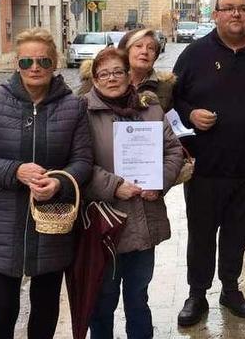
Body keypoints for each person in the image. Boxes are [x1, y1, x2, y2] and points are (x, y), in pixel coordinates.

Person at [0, 27, 92, 339]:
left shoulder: (73, 107)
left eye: (44, 62)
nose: (35, 68)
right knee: (2, 309)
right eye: (27, 62)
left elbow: (83, 162)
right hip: (0, 223)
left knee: (45, 308)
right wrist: (15, 171)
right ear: (16, 64)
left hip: (52, 223)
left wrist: (59, 182)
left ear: (54, 64)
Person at [173, 0, 245, 326]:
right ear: (216, 14)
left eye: (243, 9)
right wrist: (190, 114)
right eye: (229, 9)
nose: (236, 14)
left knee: (239, 233)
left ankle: (230, 288)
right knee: (202, 234)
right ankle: (197, 293)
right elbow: (170, 101)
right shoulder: (194, 54)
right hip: (205, 169)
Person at [83, 47, 183, 339]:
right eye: (104, 74)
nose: (111, 78)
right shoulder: (82, 112)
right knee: (103, 300)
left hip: (143, 217)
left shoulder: (149, 107)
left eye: (117, 72)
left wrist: (159, 182)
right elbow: (78, 163)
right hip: (104, 222)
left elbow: (173, 150)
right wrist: (113, 185)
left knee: (138, 296)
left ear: (129, 75)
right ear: (94, 79)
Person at [78, 29, 175, 112]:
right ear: (126, 51)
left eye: (151, 48)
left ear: (155, 56)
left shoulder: (165, 88)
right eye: (138, 46)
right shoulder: (98, 82)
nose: (144, 52)